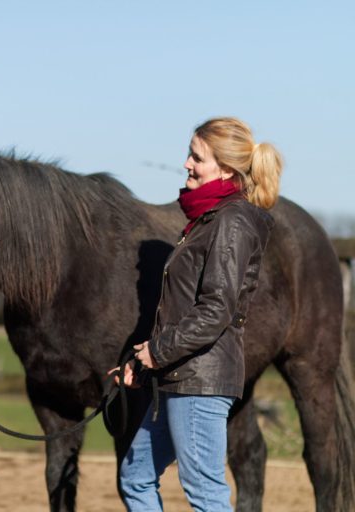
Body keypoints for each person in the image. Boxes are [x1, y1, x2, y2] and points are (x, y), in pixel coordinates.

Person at [117, 117, 282, 511]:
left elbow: (215, 310)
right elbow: (186, 308)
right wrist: (147, 358)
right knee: (136, 477)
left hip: (201, 383)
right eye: (189, 154)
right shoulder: (206, 220)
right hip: (179, 375)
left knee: (206, 494)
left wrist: (157, 352)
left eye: (197, 157)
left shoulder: (232, 221)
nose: (187, 164)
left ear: (226, 169)